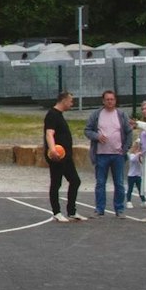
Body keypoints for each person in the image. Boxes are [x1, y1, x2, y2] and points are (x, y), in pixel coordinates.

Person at [84, 90, 133, 218]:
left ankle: (119, 209)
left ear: (115, 100)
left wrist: (125, 148)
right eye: (107, 99)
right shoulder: (96, 115)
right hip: (101, 154)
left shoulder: (121, 115)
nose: (110, 101)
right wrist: (97, 136)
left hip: (118, 155)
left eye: (112, 99)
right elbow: (87, 130)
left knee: (119, 183)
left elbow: (129, 132)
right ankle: (99, 209)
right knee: (100, 182)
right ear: (103, 101)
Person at [42, 91, 84, 222]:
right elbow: (49, 133)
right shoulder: (52, 115)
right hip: (57, 156)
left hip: (66, 156)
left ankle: (71, 211)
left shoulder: (59, 115)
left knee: (75, 180)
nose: (72, 104)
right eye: (70, 101)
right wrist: (53, 150)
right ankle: (57, 212)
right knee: (56, 182)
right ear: (64, 100)